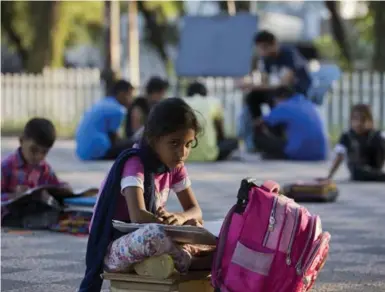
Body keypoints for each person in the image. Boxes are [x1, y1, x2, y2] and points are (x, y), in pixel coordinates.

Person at [79, 98, 211, 291]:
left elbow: (195, 210)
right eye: (174, 143)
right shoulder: (135, 163)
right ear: (153, 139)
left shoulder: (175, 166)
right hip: (117, 249)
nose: (182, 152)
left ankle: (159, 264)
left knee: (197, 226)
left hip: (154, 246)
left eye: (188, 144)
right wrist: (169, 225)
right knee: (153, 234)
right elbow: (138, 216)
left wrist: (181, 218)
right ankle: (188, 262)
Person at [1, 118, 68, 221]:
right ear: (21, 141)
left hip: (35, 214)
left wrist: (65, 188)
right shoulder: (6, 167)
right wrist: (14, 196)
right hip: (11, 217)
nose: (38, 156)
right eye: (33, 150)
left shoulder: (43, 168)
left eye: (44, 152)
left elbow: (56, 185)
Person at [240, 30, 312, 120]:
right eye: (259, 48)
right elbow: (265, 81)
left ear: (274, 44)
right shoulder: (267, 59)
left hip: (296, 92)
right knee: (253, 97)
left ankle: (279, 128)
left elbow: (284, 84)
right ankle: (259, 126)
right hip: (278, 90)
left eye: (264, 48)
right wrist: (252, 85)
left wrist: (253, 86)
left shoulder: (289, 55)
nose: (262, 52)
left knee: (276, 96)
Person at [254, 86, 327, 161]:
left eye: (275, 101)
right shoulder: (307, 103)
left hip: (299, 152)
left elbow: (259, 122)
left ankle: (276, 154)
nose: (275, 105)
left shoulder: (284, 106)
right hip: (320, 153)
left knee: (259, 138)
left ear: (280, 98)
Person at [323, 104, 385, 182]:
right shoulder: (346, 136)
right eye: (355, 119)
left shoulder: (376, 135)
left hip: (375, 168)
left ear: (370, 121)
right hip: (358, 171)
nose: (359, 123)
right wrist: (329, 176)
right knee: (359, 171)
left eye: (363, 120)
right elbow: (339, 157)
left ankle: (376, 174)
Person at [76, 79, 134, 160]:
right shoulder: (118, 110)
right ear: (122, 94)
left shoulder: (104, 102)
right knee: (134, 145)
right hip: (98, 151)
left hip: (83, 153)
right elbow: (114, 139)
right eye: (130, 95)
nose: (132, 99)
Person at [183, 81, 238, 161]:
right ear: (205, 92)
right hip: (209, 155)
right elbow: (220, 129)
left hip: (184, 155)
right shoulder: (213, 102)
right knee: (233, 142)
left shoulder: (181, 102)